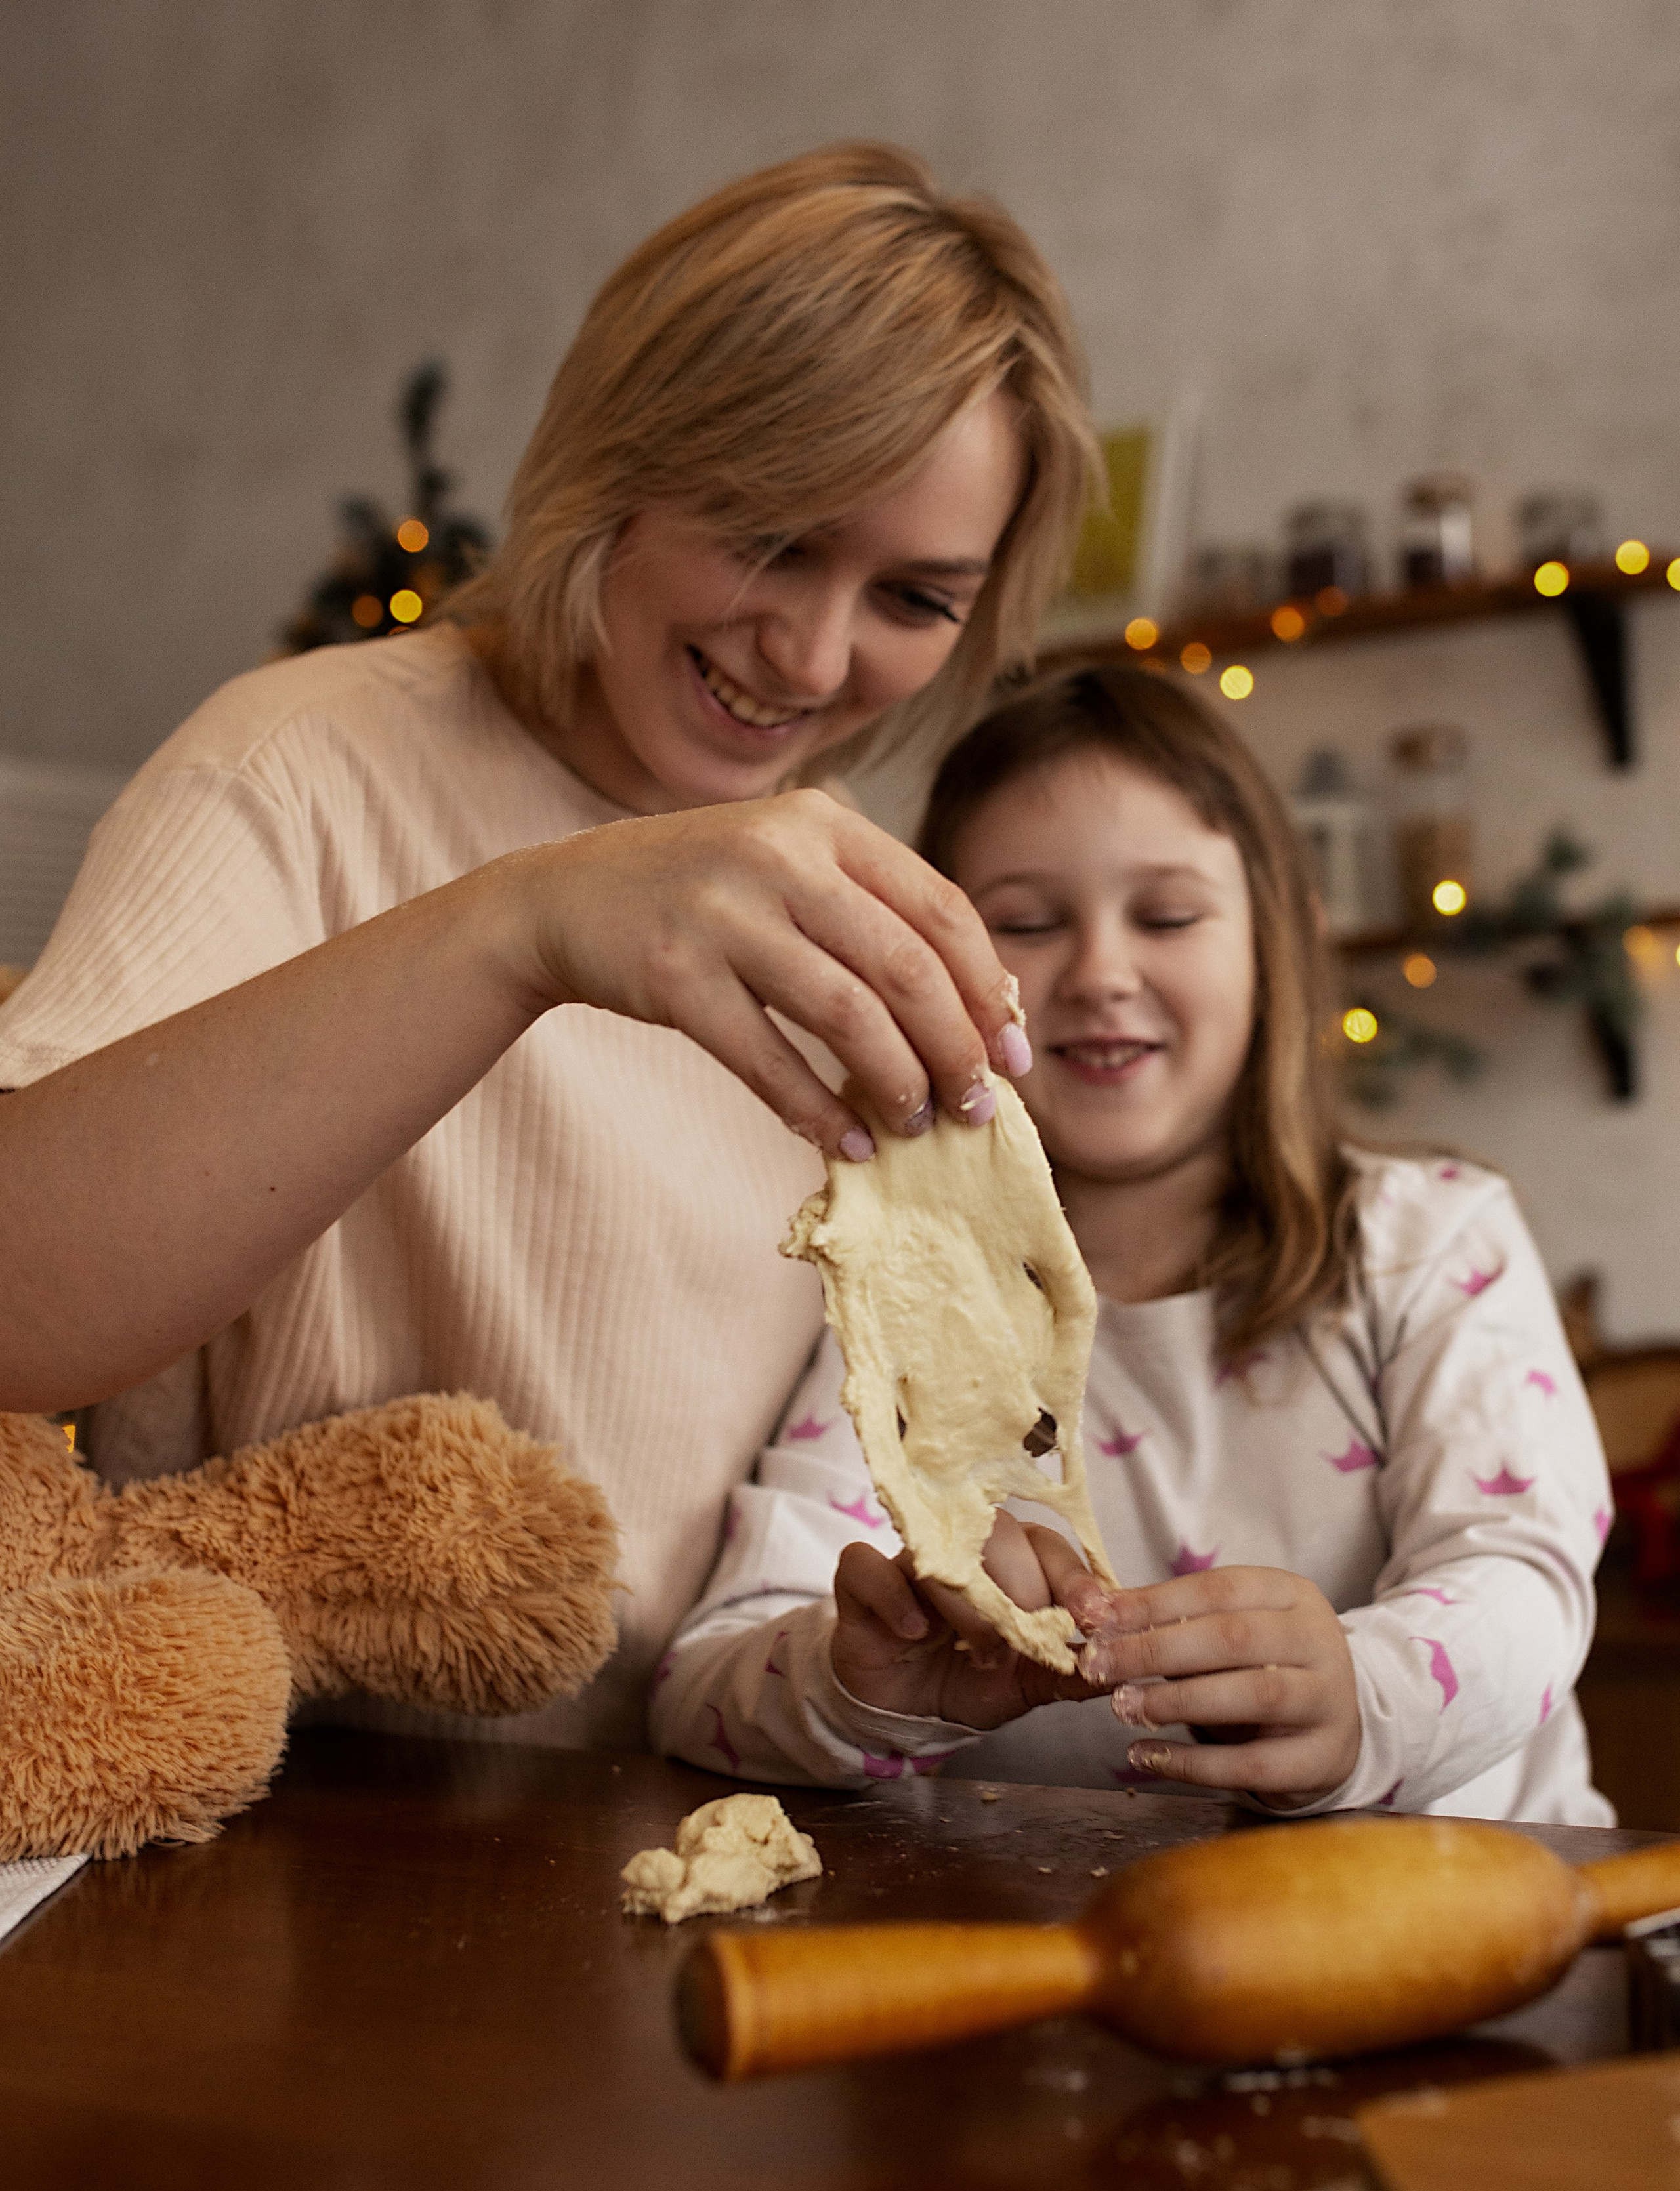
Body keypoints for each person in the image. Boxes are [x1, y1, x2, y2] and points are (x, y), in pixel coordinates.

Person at [0, 145, 1098, 1747]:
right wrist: (520, 928)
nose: (813, 656)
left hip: (685, 1815)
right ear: (620, 461)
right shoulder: (294, 766)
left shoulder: (861, 922)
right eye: (770, 538)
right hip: (268, 1809)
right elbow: (21, 1303)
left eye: (915, 599)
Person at [654, 665, 1614, 1824]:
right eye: (1025, 923)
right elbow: (701, 1687)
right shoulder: (909, 1300)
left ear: (1278, 946)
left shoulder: (1431, 1243)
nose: (1102, 974)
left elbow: (1524, 1579)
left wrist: (1367, 1699)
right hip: (1058, 1919)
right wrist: (858, 1683)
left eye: (1166, 917)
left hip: (1483, 1898)